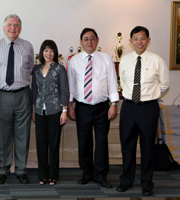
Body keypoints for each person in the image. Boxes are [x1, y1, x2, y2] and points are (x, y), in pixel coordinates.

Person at [117, 26, 170, 196]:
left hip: (149, 108)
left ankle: (147, 183)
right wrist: (131, 96)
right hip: (129, 107)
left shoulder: (157, 60)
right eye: (136, 38)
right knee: (127, 145)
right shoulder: (124, 60)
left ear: (148, 40)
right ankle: (126, 180)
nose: (139, 42)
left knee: (148, 147)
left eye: (142, 38)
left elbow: (165, 83)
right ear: (130, 41)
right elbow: (123, 82)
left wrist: (151, 94)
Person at [67, 28, 119, 188]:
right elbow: (71, 84)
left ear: (97, 40)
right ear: (81, 42)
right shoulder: (74, 60)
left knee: (102, 141)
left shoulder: (106, 59)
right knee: (84, 141)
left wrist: (114, 104)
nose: (89, 42)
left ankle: (101, 175)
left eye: (92, 38)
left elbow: (112, 82)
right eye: (85, 39)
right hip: (82, 107)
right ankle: (87, 172)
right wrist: (69, 105)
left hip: (103, 107)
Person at [0, 14, 34, 185]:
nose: (13, 28)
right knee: (2, 134)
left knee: (23, 134)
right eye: (9, 25)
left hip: (22, 94)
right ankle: (3, 169)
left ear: (20, 28)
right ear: (4, 27)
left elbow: (29, 69)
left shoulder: (27, 46)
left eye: (16, 25)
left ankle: (21, 169)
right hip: (1, 96)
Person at [31, 40, 69, 186]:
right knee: (41, 143)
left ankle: (53, 175)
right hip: (40, 111)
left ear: (55, 52)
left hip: (55, 111)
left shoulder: (60, 69)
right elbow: (34, 90)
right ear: (41, 52)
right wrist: (33, 108)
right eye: (45, 50)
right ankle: (42, 175)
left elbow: (65, 91)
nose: (48, 53)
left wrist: (64, 111)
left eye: (51, 50)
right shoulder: (36, 69)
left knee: (53, 144)